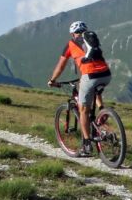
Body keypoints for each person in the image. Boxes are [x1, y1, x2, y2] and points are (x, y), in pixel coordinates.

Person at [47, 21, 111, 156]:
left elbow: (60, 66)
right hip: (106, 74)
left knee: (83, 110)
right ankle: (102, 110)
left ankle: (87, 145)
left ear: (72, 34)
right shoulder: (91, 39)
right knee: (92, 87)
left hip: (90, 75)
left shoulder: (71, 44)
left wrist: (52, 80)